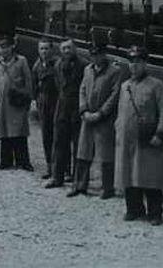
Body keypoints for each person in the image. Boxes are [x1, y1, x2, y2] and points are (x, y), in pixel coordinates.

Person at [115, 46, 163, 224]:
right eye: (131, 62)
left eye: (138, 62)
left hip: (148, 138)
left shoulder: (156, 85)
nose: (134, 66)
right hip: (127, 139)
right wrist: (118, 131)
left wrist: (160, 134)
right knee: (129, 173)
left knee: (150, 175)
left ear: (145, 63)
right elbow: (120, 113)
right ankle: (134, 209)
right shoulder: (125, 86)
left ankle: (155, 213)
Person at [67, 43, 122, 199]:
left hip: (104, 119)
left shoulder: (114, 72)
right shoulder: (88, 70)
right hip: (87, 117)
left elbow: (114, 95)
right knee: (83, 152)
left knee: (106, 155)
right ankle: (80, 185)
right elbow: (82, 89)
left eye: (98, 54)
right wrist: (83, 110)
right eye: (92, 55)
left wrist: (101, 113)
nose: (95, 58)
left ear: (104, 55)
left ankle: (107, 188)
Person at [0, 33, 34, 171]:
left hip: (17, 101)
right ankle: (5, 160)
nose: (4, 50)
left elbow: (28, 81)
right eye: (1, 47)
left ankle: (23, 160)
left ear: (12, 47)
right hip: (1, 103)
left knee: (20, 131)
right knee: (4, 131)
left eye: (6, 47)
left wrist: (28, 99)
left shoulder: (21, 61)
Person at [45, 39, 87, 188]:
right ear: (60, 50)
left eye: (69, 47)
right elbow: (58, 85)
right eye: (63, 48)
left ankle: (77, 180)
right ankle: (57, 177)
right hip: (62, 106)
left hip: (77, 107)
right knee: (59, 142)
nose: (67, 51)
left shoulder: (84, 65)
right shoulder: (57, 65)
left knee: (78, 144)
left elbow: (85, 87)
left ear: (75, 48)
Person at [32, 38, 59, 179]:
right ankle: (49, 167)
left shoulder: (58, 64)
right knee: (46, 136)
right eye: (41, 48)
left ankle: (62, 168)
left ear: (52, 50)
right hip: (43, 102)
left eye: (46, 48)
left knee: (59, 136)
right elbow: (34, 85)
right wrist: (36, 100)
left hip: (56, 102)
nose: (44, 51)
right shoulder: (37, 66)